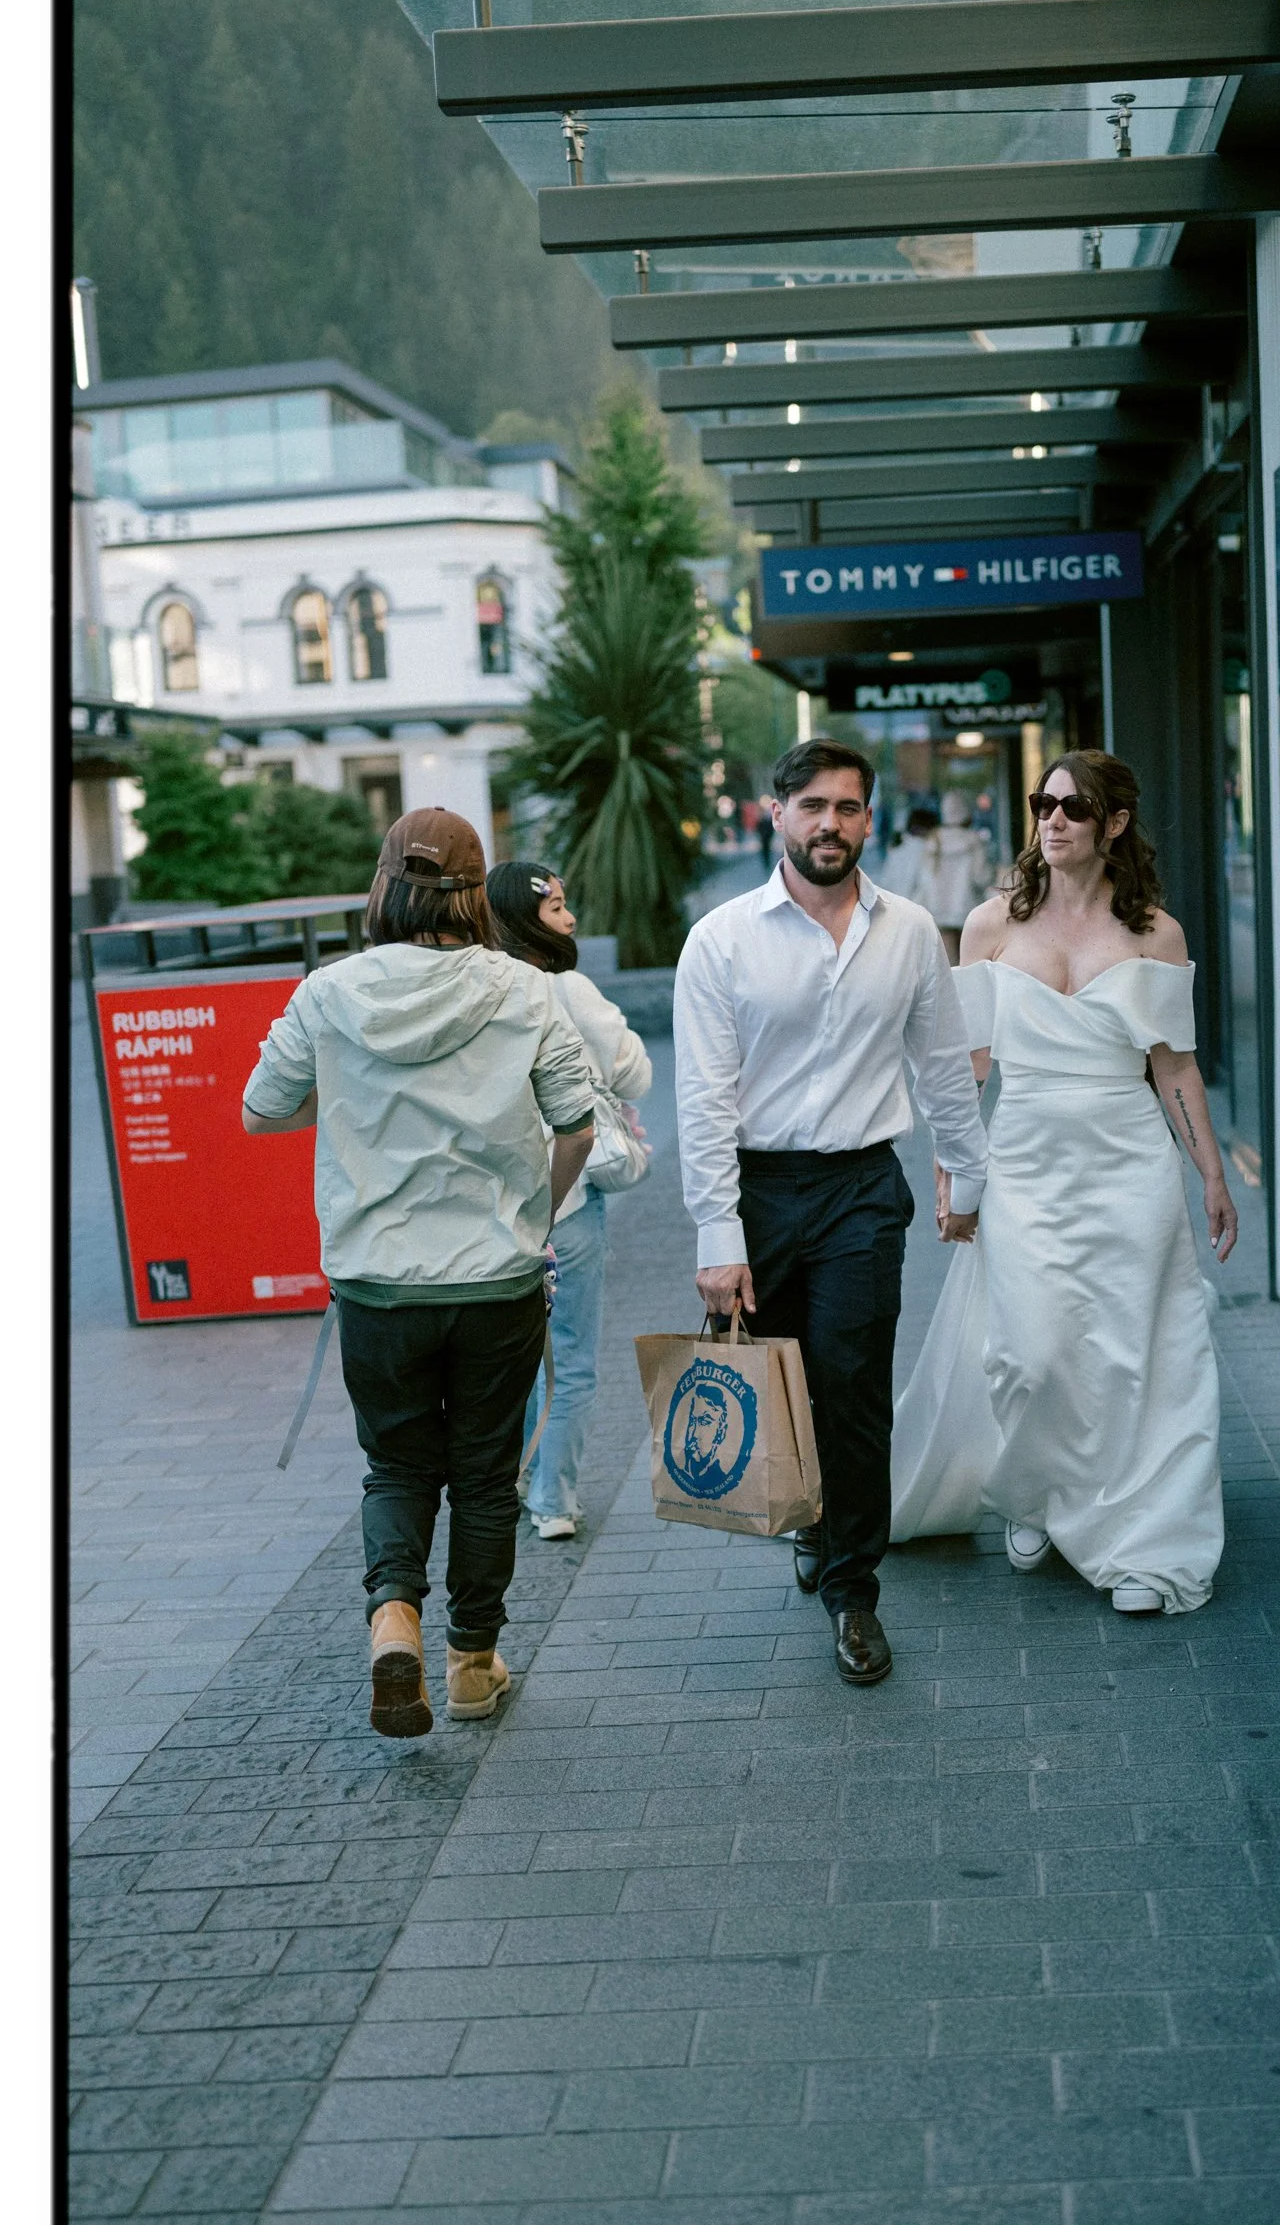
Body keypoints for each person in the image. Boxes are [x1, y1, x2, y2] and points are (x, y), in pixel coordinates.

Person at [242, 808, 601, 1736]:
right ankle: (472, 1667)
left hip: (377, 1285)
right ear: (477, 893)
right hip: (495, 1282)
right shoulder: (526, 991)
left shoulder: (328, 993)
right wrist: (538, 1214)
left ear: (384, 887)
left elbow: (261, 1109)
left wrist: (347, 1094)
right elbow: (577, 1124)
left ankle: (392, 1619)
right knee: (483, 1478)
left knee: (397, 1468)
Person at [673, 737, 990, 1686]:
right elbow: (702, 1100)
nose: (829, 824)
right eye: (811, 806)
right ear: (778, 814)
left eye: (847, 807)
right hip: (759, 1190)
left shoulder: (909, 931)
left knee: (852, 1389)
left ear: (867, 819)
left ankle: (854, 1595)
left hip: (861, 1188)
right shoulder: (721, 938)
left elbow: (942, 1066)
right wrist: (718, 1235)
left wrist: (969, 1178)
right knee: (783, 1384)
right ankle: (811, 1518)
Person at [891, 750, 1237, 1615]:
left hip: (1129, 1160)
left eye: (1072, 808)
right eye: (1041, 804)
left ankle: (1141, 1539)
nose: (1051, 820)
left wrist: (1211, 1174)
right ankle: (1033, 1494)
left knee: (1133, 1357)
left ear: (1113, 824)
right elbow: (966, 1069)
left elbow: (1174, 1068)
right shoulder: (988, 925)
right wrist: (951, 1173)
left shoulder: (1155, 933)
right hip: (1024, 1158)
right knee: (1032, 1352)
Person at [487, 860, 653, 1542]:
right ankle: (553, 1501)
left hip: (496, 1209)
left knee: (516, 1360)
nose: (570, 918)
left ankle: (516, 1476)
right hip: (569, 1199)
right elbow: (636, 1073)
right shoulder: (566, 987)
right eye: (555, 907)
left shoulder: (479, 991)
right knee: (572, 1359)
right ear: (525, 920)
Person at [911, 787, 994, 958]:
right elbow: (982, 877)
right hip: (968, 912)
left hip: (938, 911)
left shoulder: (933, 839)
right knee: (969, 963)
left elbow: (923, 879)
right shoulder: (973, 840)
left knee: (948, 964)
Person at [882, 802, 939, 899]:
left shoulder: (897, 846)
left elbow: (886, 881)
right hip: (911, 903)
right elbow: (924, 886)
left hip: (892, 901)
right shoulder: (923, 849)